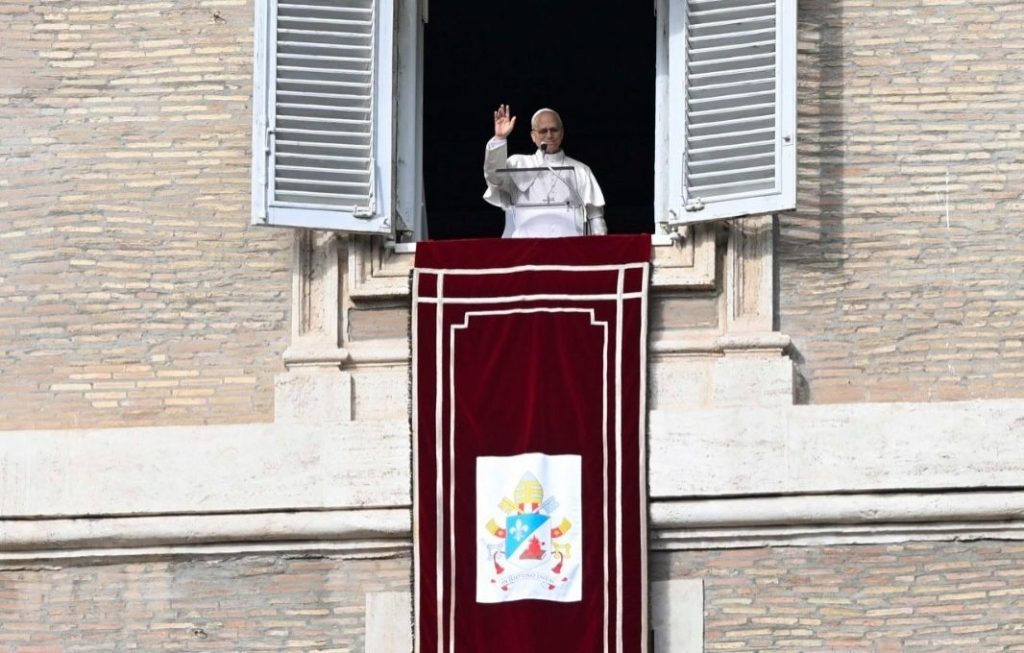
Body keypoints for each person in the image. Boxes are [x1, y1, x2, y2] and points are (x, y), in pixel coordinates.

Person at [483, 105, 607, 238]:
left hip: (570, 248)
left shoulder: (581, 170)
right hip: (526, 248)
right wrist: (499, 138)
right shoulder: (517, 163)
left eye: (554, 130)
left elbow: (596, 218)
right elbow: (493, 178)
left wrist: (598, 251)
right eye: (543, 131)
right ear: (533, 136)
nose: (549, 135)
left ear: (562, 133)